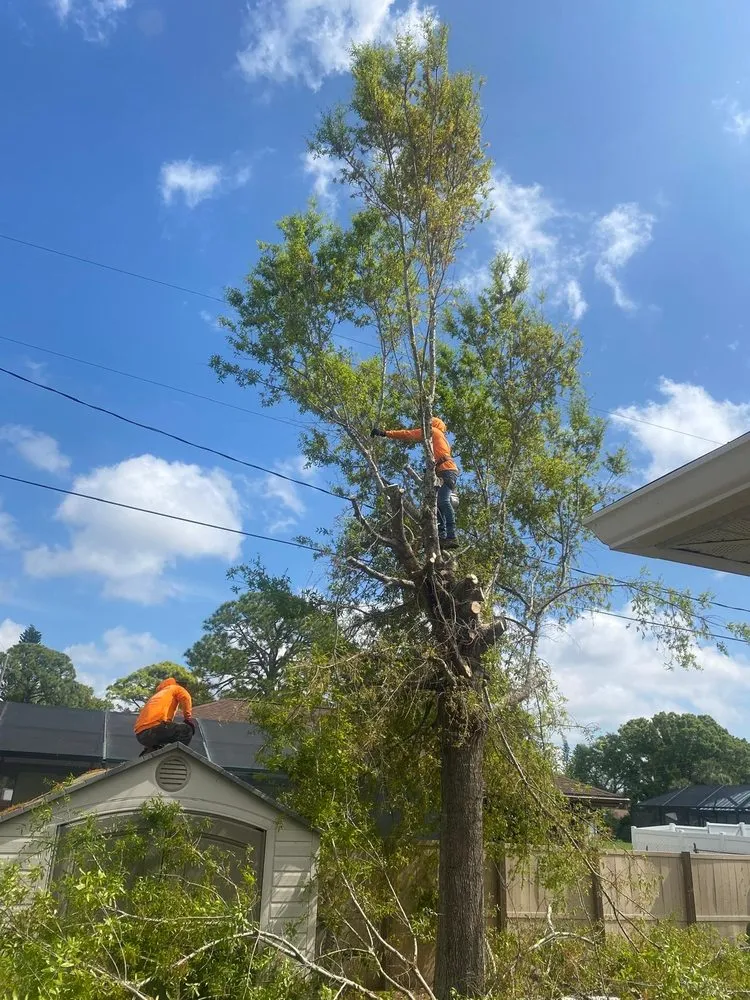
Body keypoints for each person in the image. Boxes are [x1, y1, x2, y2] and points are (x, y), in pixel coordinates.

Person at [371, 417, 459, 549]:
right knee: (437, 505)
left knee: (443, 501)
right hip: (443, 471)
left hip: (447, 471)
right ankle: (441, 537)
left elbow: (408, 434)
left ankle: (452, 536)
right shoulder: (440, 437)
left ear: (432, 424)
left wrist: (385, 433)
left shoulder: (433, 431)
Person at [134, 677, 196, 756]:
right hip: (154, 729)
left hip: (141, 735)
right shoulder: (176, 688)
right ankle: (175, 759)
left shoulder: (160, 695)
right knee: (186, 730)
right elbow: (186, 698)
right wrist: (188, 719)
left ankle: (148, 753)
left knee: (161, 746)